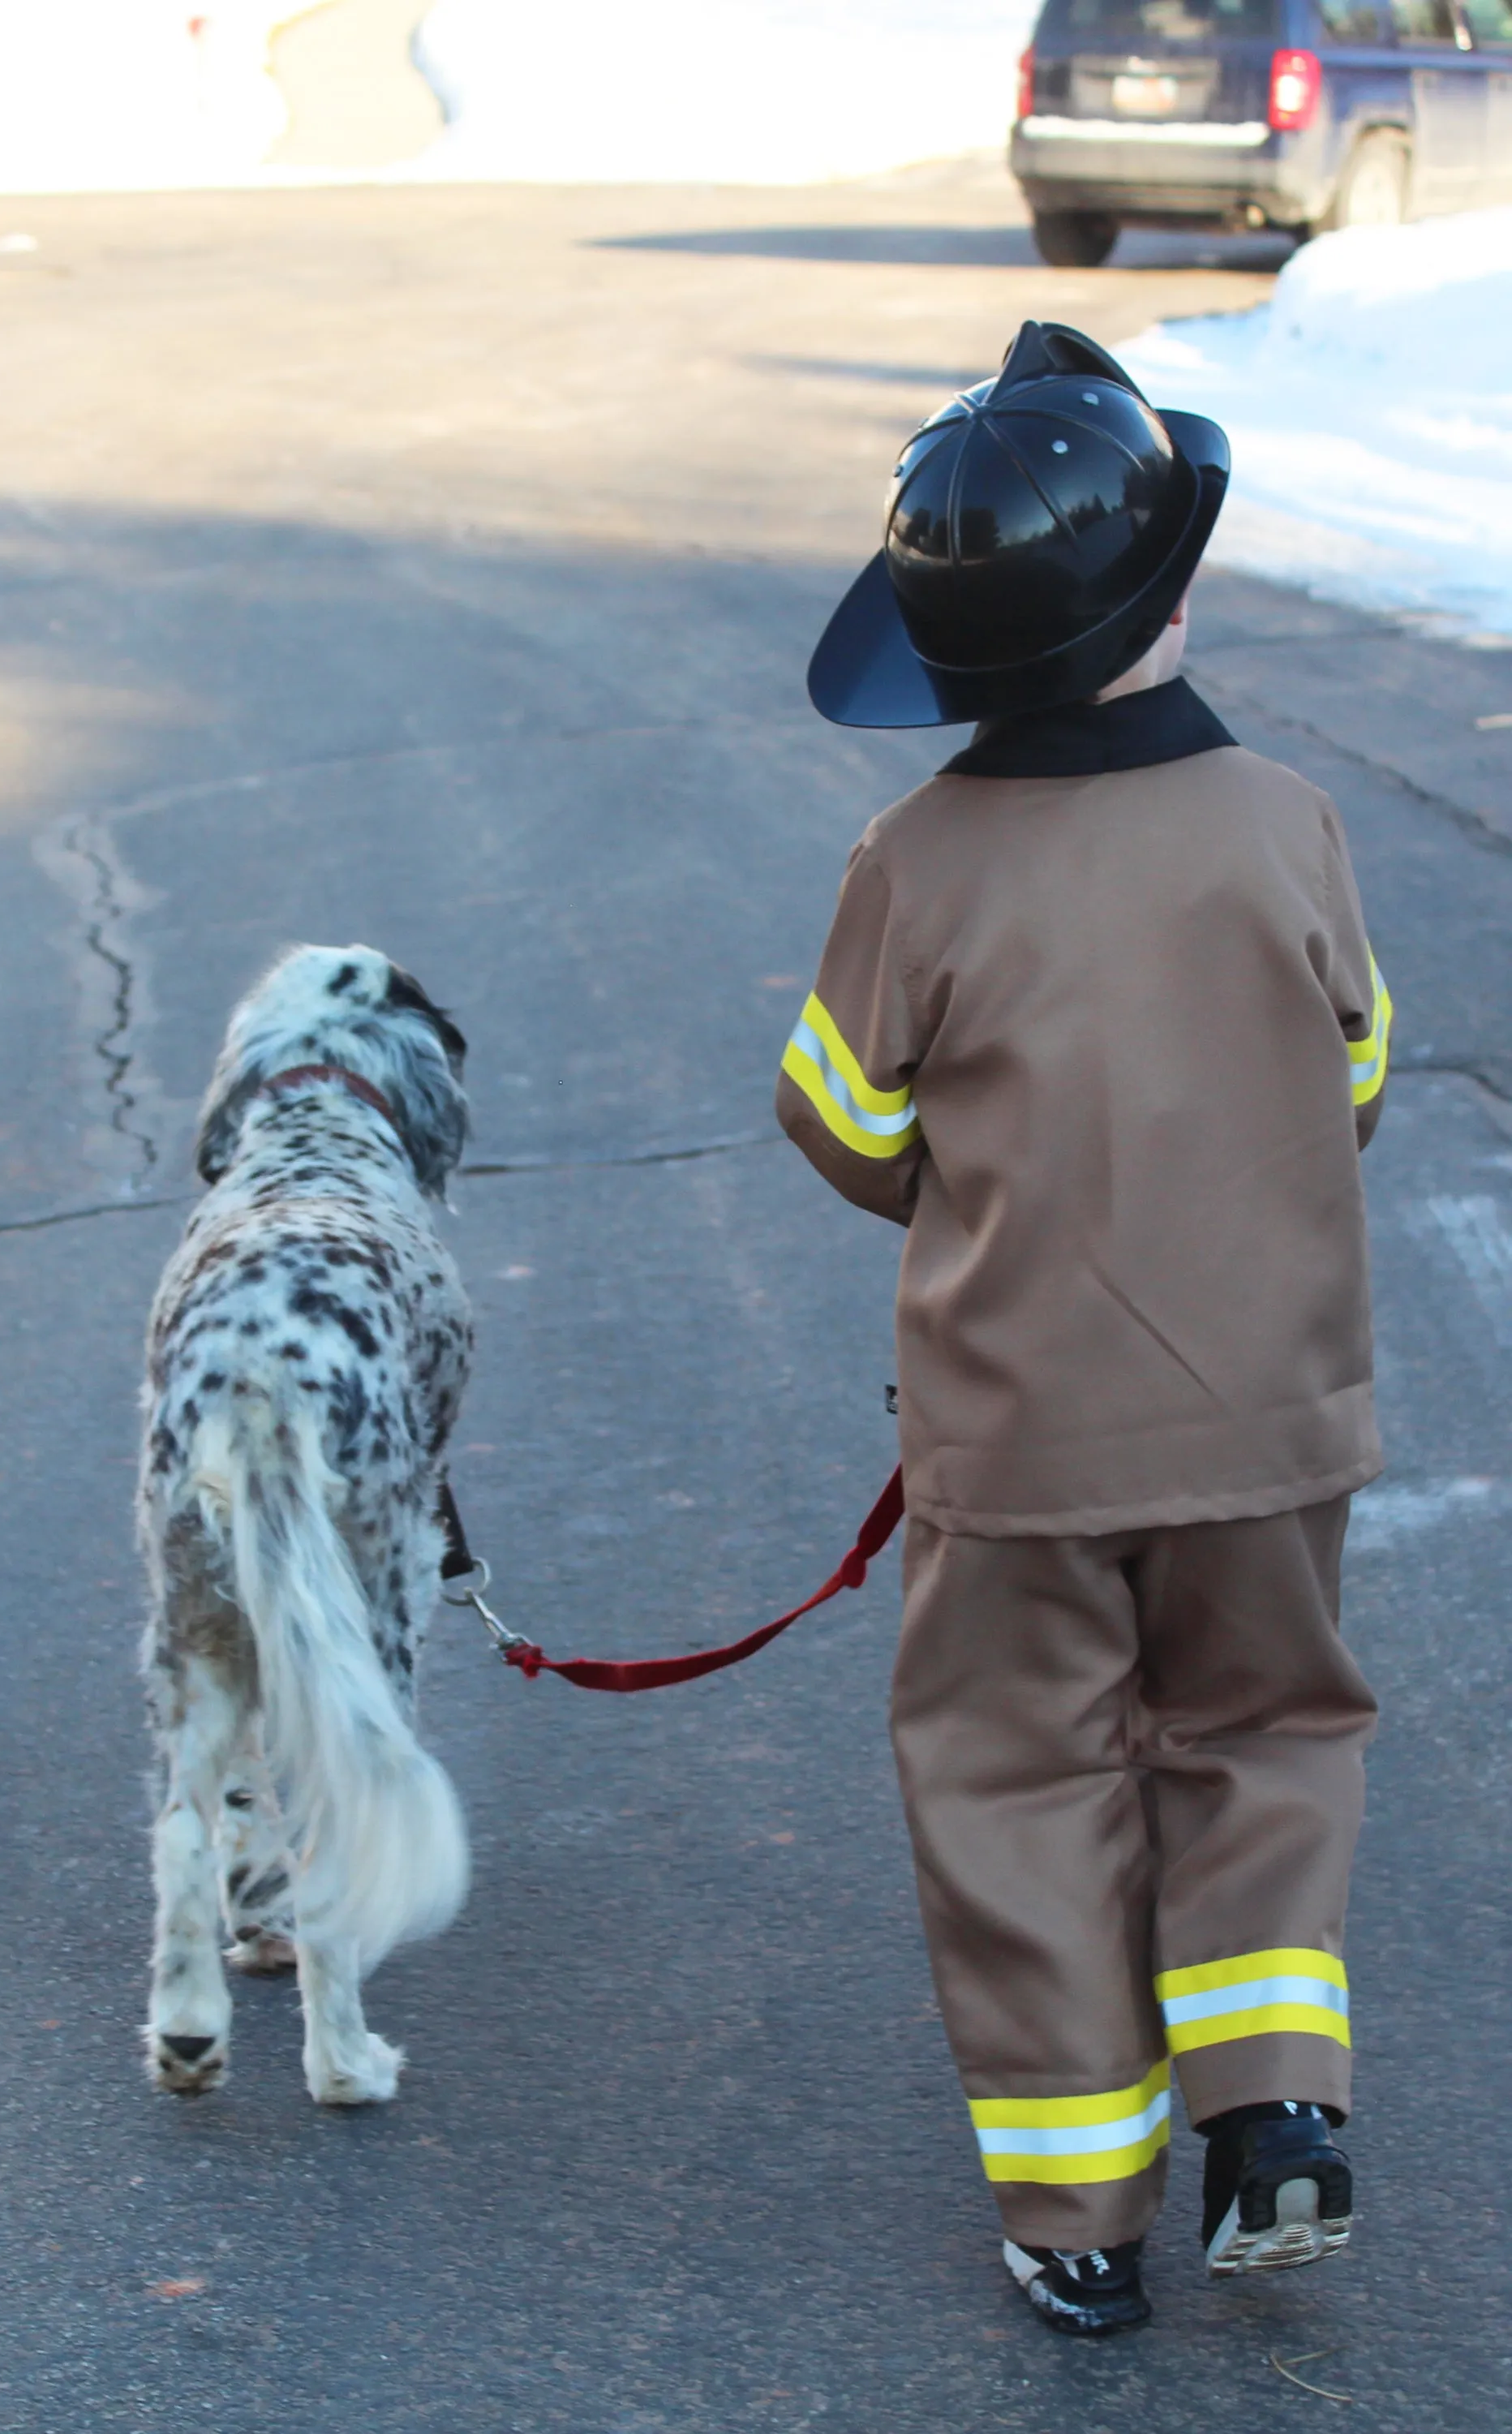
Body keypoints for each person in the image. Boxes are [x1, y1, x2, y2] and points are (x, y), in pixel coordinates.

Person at [775, 321, 1389, 2337]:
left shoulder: (913, 862)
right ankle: (1275, 2105)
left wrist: (982, 1179)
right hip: (1268, 1427)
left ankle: (1077, 2215)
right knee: (1260, 1734)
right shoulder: (1287, 823)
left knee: (1019, 1780)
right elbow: (1358, 1077)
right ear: (1171, 596)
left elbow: (844, 1124)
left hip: (1018, 1450)